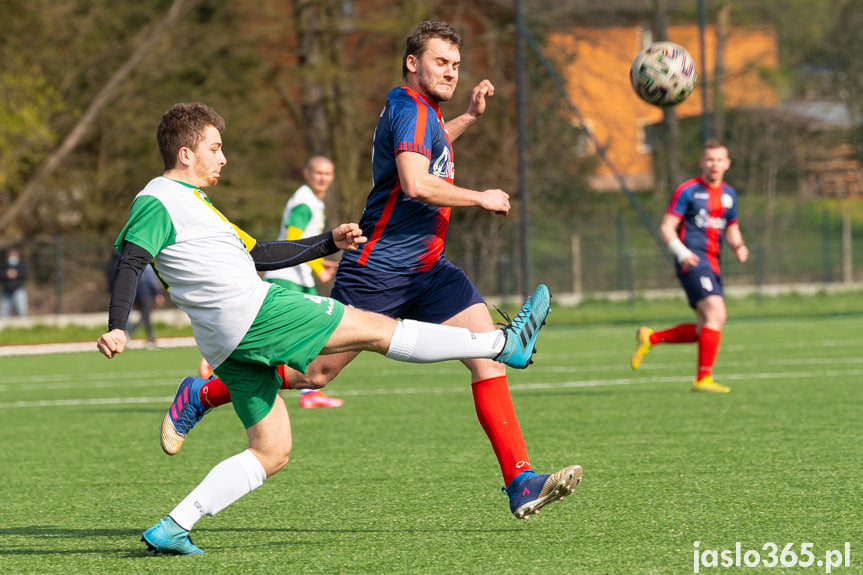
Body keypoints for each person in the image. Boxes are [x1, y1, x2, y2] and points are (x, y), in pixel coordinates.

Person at [161, 21, 581, 523]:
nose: (451, 72)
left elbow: (431, 149)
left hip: (429, 267)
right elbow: (415, 182)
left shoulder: (424, 113)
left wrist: (467, 117)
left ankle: (520, 480)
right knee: (313, 374)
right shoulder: (407, 107)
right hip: (379, 268)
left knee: (488, 356)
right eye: (440, 62)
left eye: (455, 65)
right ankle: (204, 392)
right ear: (412, 63)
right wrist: (480, 197)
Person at [97, 101, 551, 555]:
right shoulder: (158, 199)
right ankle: (500, 342)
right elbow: (132, 261)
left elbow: (262, 254)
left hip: (225, 344)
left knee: (272, 451)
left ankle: (175, 525)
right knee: (375, 329)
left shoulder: (198, 206)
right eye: (215, 148)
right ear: (185, 154)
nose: (223, 158)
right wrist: (118, 327)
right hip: (257, 314)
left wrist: (327, 242)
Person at [631, 139, 749, 392]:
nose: (714, 165)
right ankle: (703, 378)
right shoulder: (687, 191)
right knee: (717, 314)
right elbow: (666, 227)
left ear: (727, 164)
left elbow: (732, 228)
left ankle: (651, 337)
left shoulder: (729, 194)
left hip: (713, 263)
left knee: (704, 327)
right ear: (701, 163)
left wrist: (738, 247)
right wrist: (681, 252)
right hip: (693, 261)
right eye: (709, 159)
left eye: (719, 160)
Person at [263, 155, 342, 408]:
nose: (323, 178)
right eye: (318, 173)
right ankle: (215, 367)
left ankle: (308, 392)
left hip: (298, 276)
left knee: (308, 331)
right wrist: (318, 267)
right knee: (296, 333)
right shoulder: (305, 201)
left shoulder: (313, 201)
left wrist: (319, 264)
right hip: (287, 277)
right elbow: (293, 238)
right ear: (306, 174)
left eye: (327, 174)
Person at [127, 264, 165, 348]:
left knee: (146, 317)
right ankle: (129, 333)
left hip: (139, 294)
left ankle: (150, 338)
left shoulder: (137, 266)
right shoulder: (148, 267)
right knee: (145, 316)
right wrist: (157, 293)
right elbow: (151, 281)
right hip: (146, 294)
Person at [1, 248, 28, 319]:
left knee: (21, 308)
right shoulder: (3, 265)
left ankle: (23, 325)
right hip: (6, 290)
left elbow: (25, 274)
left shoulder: (21, 264)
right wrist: (6, 274)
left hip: (18, 289)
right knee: (4, 310)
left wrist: (17, 274)